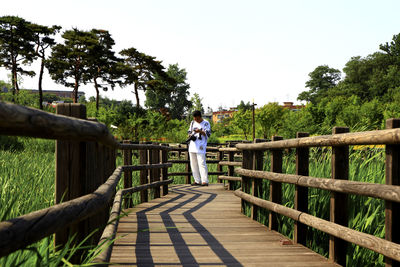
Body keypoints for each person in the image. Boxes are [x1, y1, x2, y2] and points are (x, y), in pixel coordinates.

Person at [187, 110, 211, 186]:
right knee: (193, 164)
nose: (195, 120)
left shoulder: (206, 123)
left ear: (200, 117)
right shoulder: (192, 123)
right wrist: (190, 135)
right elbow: (189, 132)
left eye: (197, 119)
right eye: (194, 119)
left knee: (201, 163)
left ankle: (205, 181)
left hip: (201, 145)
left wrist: (200, 131)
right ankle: (197, 180)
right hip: (192, 146)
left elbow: (208, 134)